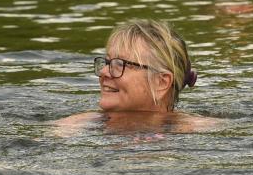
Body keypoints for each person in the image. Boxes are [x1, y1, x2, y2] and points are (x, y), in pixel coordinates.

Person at [54, 19, 218, 135]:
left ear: (161, 82)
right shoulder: (73, 126)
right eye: (107, 62)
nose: (104, 72)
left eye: (119, 64)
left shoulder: (197, 131)